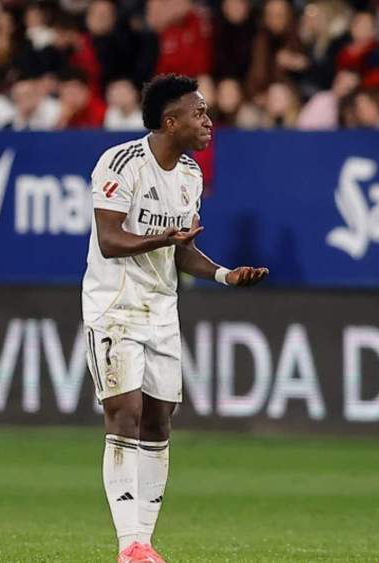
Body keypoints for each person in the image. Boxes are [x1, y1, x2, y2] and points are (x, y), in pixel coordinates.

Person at [82, 74, 268, 563]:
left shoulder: (189, 175)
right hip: (114, 307)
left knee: (160, 422)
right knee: (124, 412)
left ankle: (144, 540)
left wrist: (226, 275)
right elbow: (110, 240)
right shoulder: (119, 164)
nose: (208, 122)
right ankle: (129, 545)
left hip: (162, 311)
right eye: (199, 113)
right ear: (171, 121)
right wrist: (164, 241)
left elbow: (182, 253)